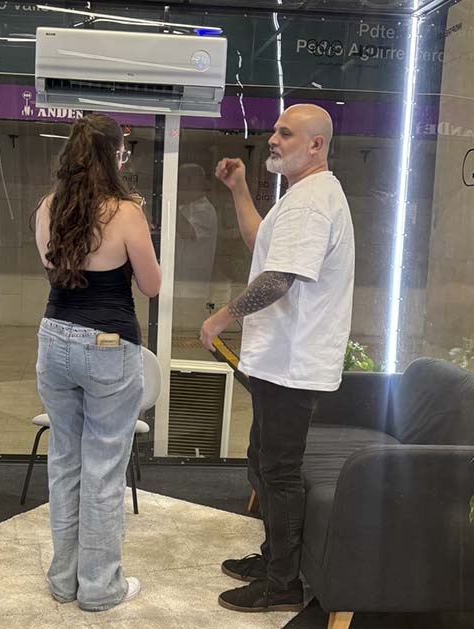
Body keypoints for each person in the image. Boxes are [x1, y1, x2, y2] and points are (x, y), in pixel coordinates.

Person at [199, 104, 355, 612]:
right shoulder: (301, 196)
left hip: (292, 364)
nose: (273, 139)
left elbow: (278, 279)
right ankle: (273, 560)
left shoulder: (312, 202)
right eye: (274, 131)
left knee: (279, 470)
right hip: (280, 361)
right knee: (264, 462)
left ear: (316, 145)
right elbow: (261, 244)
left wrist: (222, 318)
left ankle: (283, 582)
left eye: (285, 133)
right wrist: (239, 189)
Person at [33, 113, 161, 612]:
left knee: (65, 462)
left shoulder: (47, 208)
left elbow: (57, 273)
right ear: (116, 156)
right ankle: (100, 587)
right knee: (104, 470)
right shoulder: (126, 213)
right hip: (108, 344)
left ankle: (64, 581)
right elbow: (151, 285)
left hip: (54, 339)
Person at [175, 163, 218, 299]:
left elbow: (187, 231)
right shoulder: (185, 207)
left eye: (181, 183)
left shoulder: (205, 210)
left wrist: (167, 203)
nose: (179, 188)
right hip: (178, 284)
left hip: (193, 287)